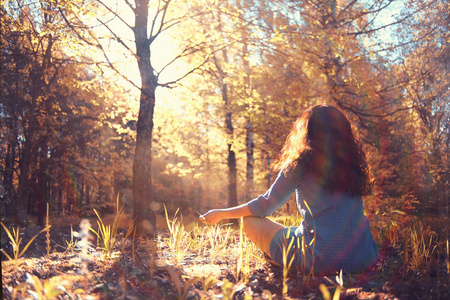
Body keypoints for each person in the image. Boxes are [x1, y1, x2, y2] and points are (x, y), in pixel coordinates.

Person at [200, 104, 379, 275]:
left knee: (249, 221)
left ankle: (286, 261)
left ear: (309, 132)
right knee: (296, 231)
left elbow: (264, 207)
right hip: (365, 257)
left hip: (321, 261)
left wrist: (221, 213)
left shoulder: (301, 164)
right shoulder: (353, 165)